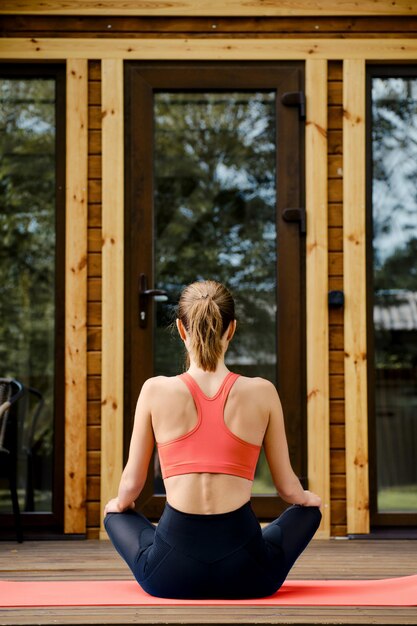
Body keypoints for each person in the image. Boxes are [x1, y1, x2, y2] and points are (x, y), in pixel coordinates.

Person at [104, 280, 322, 599]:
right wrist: (307, 501)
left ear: (181, 329)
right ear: (231, 329)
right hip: (249, 575)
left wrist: (118, 506)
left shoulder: (154, 390)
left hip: (169, 577)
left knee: (116, 515)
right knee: (309, 512)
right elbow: (288, 489)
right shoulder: (262, 391)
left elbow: (131, 486)